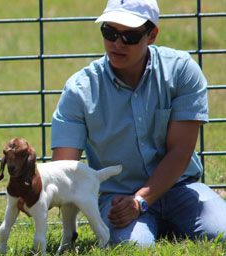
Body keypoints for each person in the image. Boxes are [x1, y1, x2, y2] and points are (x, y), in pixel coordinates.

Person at [50, 0, 226, 247]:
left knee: (223, 233)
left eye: (130, 36)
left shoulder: (182, 71)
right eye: (109, 32)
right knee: (135, 248)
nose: (117, 43)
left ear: (152, 35)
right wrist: (34, 188)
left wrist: (141, 201)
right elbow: (64, 168)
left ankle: (159, 222)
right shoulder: (79, 90)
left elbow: (180, 151)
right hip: (116, 198)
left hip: (180, 187)